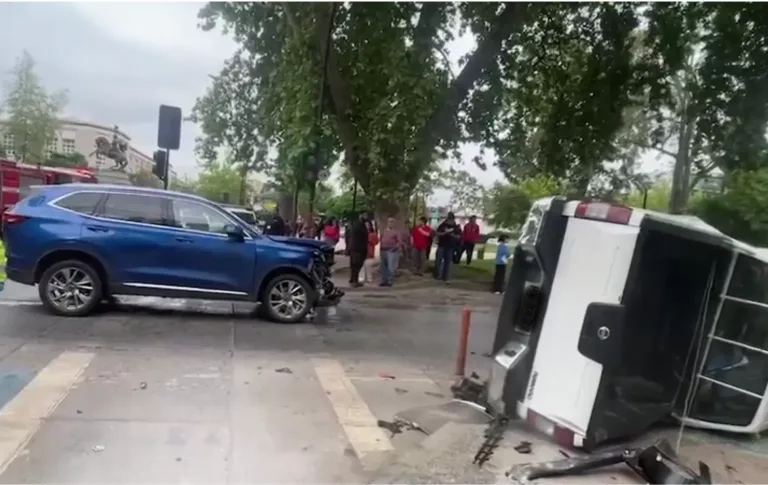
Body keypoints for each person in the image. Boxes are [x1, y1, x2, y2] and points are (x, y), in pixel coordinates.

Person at [434, 212, 461, 281]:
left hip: (450, 246)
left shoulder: (456, 227)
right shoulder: (443, 225)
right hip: (441, 245)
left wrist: (452, 235)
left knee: (448, 262)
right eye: (449, 219)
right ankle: (438, 275)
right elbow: (437, 233)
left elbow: (459, 237)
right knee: (438, 261)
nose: (450, 221)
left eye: (452, 220)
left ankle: (446, 277)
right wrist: (443, 233)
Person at [379, 217, 402, 287]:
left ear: (394, 223)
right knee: (383, 267)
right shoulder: (384, 231)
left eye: (392, 222)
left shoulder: (396, 232)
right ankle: (384, 280)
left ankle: (390, 281)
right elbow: (381, 239)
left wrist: (395, 248)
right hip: (383, 251)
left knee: (391, 267)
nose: (390, 223)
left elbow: (399, 241)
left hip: (392, 251)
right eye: (389, 222)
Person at [348, 213, 369, 287]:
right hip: (358, 248)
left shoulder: (359, 225)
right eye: (365, 215)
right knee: (356, 264)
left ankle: (353, 279)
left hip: (358, 248)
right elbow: (364, 234)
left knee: (356, 265)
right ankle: (354, 281)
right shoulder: (359, 225)